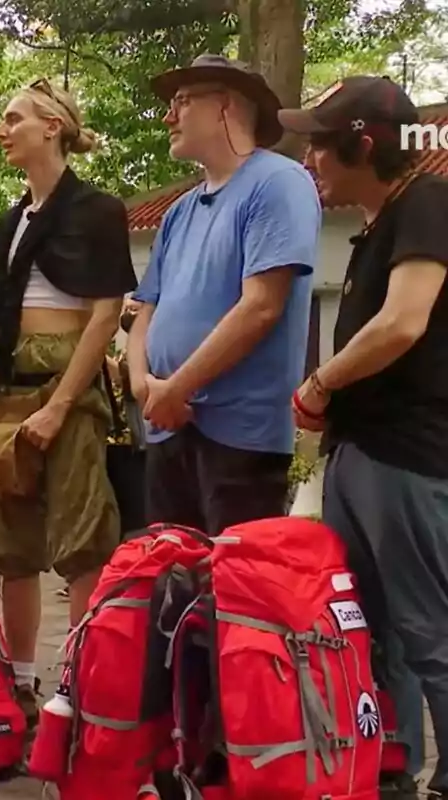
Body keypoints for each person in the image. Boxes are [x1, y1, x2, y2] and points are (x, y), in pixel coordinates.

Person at [280, 76, 447, 800]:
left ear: (364, 143)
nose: (311, 156)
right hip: (359, 450)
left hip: (404, 452)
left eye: (321, 141)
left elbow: (404, 323)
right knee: (370, 625)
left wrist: (320, 384)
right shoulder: (378, 225)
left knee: (426, 627)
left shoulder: (427, 204)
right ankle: (391, 766)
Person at [0, 78, 136, 720]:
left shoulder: (97, 210)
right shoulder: (10, 221)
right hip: (10, 390)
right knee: (10, 545)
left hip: (67, 389)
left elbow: (104, 312)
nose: (3, 130)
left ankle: (82, 681)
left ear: (54, 127)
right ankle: (21, 680)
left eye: (14, 119)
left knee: (82, 536)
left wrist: (62, 403)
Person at [126, 54, 320, 534]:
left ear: (226, 106)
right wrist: (141, 383)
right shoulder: (178, 211)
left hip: (239, 440)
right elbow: (143, 311)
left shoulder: (279, 183)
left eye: (183, 101)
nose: (169, 116)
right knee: (170, 581)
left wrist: (178, 388)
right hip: (168, 425)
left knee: (235, 592)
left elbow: (261, 306)